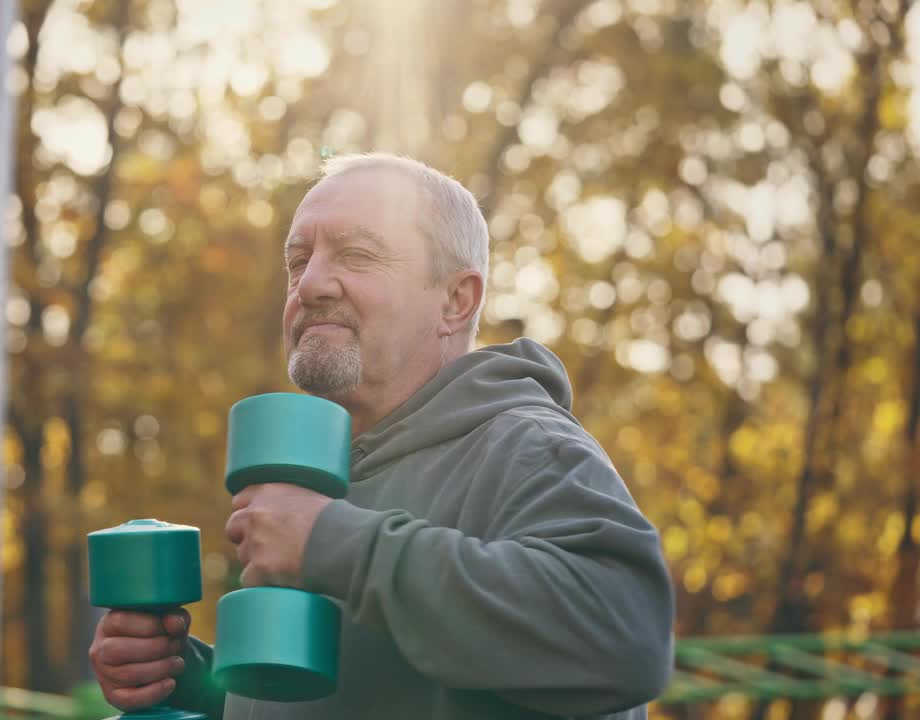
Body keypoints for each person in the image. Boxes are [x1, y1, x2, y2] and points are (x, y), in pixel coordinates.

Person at [87, 153, 675, 719]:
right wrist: (190, 682)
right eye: (297, 261)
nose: (310, 284)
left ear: (455, 299)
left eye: (357, 255)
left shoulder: (526, 447)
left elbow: (631, 639)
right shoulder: (315, 479)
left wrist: (333, 544)